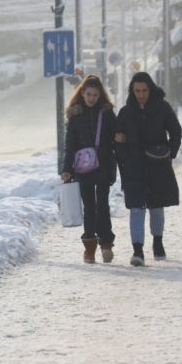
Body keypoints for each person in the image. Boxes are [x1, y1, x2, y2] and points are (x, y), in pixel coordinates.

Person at [114, 71, 182, 267]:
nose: (141, 94)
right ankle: (137, 250)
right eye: (137, 91)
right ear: (132, 91)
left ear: (150, 89)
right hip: (134, 167)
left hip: (158, 165)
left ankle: (158, 242)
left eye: (144, 90)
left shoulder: (162, 108)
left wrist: (170, 152)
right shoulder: (126, 112)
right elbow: (118, 140)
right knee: (136, 208)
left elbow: (175, 130)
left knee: (156, 207)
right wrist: (125, 159)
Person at [60, 74, 117, 264]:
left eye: (95, 95)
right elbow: (70, 145)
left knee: (103, 206)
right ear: (82, 93)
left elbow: (115, 139)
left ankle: (106, 244)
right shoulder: (75, 116)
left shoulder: (107, 114)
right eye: (89, 94)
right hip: (83, 169)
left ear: (100, 95)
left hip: (103, 165)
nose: (92, 98)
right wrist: (66, 169)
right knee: (89, 208)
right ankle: (90, 246)